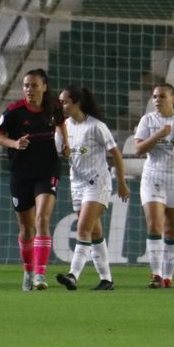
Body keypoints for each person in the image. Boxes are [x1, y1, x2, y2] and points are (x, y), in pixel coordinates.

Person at [0, 68, 60, 291]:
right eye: (26, 85)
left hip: (47, 171)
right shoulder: (14, 112)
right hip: (21, 173)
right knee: (26, 227)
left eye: (34, 85)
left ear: (44, 87)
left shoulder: (54, 109)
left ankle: (40, 274)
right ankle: (28, 271)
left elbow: (62, 125)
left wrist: (65, 144)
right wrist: (14, 144)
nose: (29, 89)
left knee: (42, 220)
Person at [54, 86, 128, 291]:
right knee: (94, 232)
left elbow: (116, 154)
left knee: (83, 228)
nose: (61, 105)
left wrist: (121, 182)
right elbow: (62, 153)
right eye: (59, 102)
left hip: (98, 182)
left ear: (76, 103)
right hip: (76, 184)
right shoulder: (63, 127)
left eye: (64, 102)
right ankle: (107, 279)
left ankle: (73, 275)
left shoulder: (96, 126)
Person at [133, 83, 174, 288]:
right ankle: (156, 274)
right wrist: (158, 135)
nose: (157, 100)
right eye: (154, 97)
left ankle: (168, 276)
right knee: (154, 225)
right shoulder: (148, 120)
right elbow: (138, 149)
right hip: (153, 177)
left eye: (162, 96)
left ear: (173, 98)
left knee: (172, 231)